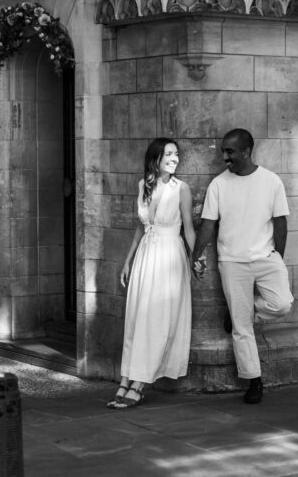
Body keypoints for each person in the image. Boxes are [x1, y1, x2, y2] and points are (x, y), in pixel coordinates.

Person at [191, 128, 293, 404]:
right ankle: (254, 380)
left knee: (282, 304)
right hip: (232, 262)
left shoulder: (271, 181)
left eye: (230, 152)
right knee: (242, 328)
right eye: (223, 151)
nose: (225, 157)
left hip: (266, 257)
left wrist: (278, 257)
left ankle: (241, 313)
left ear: (246, 152)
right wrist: (195, 255)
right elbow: (208, 224)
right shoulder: (219, 185)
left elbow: (280, 221)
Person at [107, 137, 195, 410]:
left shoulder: (181, 189)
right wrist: (128, 261)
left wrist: (197, 257)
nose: (174, 158)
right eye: (168, 154)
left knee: (159, 320)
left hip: (169, 256)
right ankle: (125, 381)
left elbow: (189, 229)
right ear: (155, 158)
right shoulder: (143, 185)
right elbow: (141, 227)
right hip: (146, 256)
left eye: (176, 154)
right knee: (137, 319)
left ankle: (139, 384)